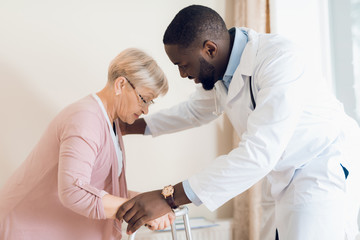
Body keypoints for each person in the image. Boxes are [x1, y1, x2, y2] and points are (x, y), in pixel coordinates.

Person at [116, 5, 360, 240]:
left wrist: (167, 198)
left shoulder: (280, 60)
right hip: (287, 178)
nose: (182, 74)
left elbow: (258, 152)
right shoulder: (221, 72)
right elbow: (195, 111)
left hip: (321, 170)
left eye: (183, 65)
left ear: (209, 49)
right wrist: (127, 126)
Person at [0, 48, 175, 240]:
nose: (146, 110)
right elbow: (73, 190)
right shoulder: (85, 119)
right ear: (121, 84)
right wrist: (138, 210)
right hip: (23, 228)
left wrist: (146, 202)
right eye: (144, 99)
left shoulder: (112, 123)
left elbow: (100, 191)